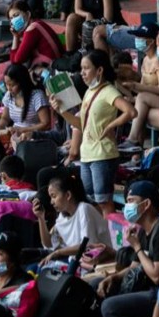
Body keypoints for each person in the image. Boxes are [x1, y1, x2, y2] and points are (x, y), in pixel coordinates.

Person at [50, 50, 136, 215]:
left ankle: (109, 237)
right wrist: (61, 111)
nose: (82, 73)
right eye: (81, 68)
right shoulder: (89, 91)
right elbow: (82, 124)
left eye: (86, 68)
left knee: (104, 201)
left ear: (99, 70)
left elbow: (131, 112)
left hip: (103, 155)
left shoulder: (109, 91)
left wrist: (111, 125)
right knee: (91, 200)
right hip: (87, 154)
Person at [98, 180, 159, 317]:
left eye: (131, 201)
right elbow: (134, 267)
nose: (127, 206)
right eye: (127, 202)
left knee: (110, 307)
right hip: (146, 286)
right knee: (98, 284)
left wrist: (137, 247)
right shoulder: (142, 231)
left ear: (146, 204)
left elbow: (157, 276)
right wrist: (114, 277)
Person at [33, 172, 113, 265]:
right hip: (77, 262)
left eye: (54, 196)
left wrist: (58, 253)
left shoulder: (84, 209)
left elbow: (87, 246)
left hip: (97, 263)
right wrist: (41, 218)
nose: (51, 202)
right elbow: (49, 244)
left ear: (68, 195)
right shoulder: (62, 216)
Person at [0, 63, 51, 136]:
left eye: (12, 85)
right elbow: (5, 118)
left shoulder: (37, 96)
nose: (9, 88)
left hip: (35, 135)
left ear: (22, 82)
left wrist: (22, 130)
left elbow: (46, 123)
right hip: (16, 135)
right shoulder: (8, 95)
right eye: (6, 84)